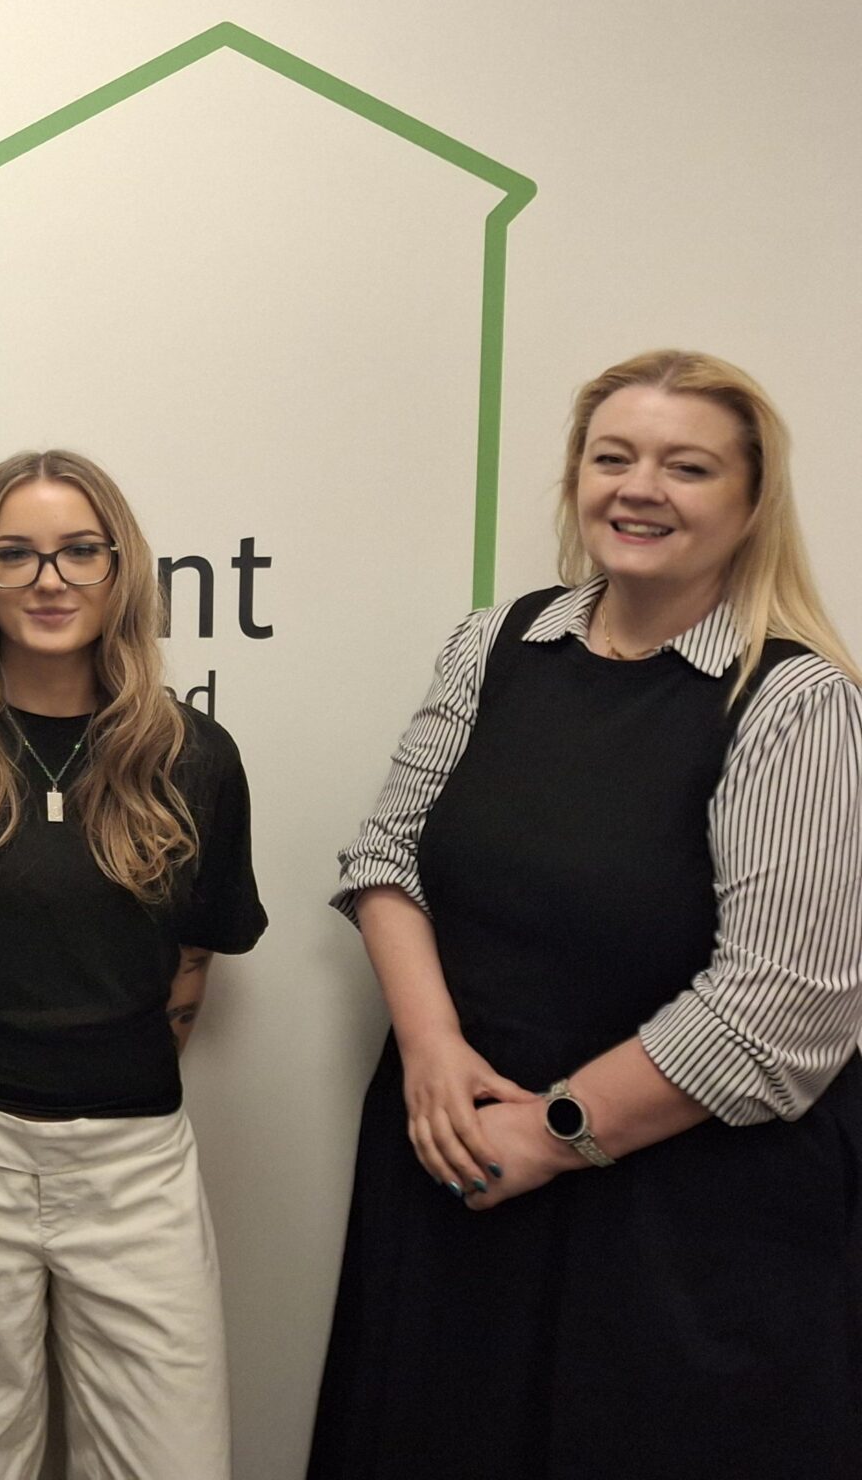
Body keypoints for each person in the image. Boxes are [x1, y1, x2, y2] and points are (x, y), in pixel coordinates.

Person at [309, 349, 862, 1476]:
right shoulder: (495, 644)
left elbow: (782, 1008)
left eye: (687, 467)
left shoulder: (796, 701)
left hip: (677, 1216)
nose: (639, 488)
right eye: (613, 458)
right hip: (459, 1160)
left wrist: (553, 1132)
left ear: (752, 502)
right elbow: (386, 855)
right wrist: (430, 1051)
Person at [0, 449, 265, 1480]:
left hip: (135, 1159)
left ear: (120, 568)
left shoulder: (191, 755)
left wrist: (103, 1074)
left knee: (171, 1462)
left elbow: (193, 956)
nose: (49, 581)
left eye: (79, 551)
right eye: (17, 555)